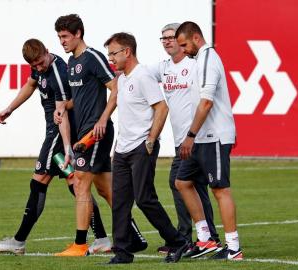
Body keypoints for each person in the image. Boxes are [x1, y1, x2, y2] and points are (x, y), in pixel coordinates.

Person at [0, 38, 112, 255]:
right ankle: (101, 238)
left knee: (39, 182)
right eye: (33, 65)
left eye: (39, 62)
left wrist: (65, 147)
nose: (38, 68)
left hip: (58, 135)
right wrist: (10, 108)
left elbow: (63, 113)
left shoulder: (58, 72)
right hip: (58, 136)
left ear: (47, 52)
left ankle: (18, 242)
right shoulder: (40, 69)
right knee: (76, 185)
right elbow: (30, 84)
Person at [54, 14, 147, 256]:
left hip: (95, 133)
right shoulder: (72, 62)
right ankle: (134, 237)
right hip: (88, 132)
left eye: (65, 36)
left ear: (78, 34)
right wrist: (65, 106)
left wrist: (103, 119)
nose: (61, 41)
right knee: (107, 191)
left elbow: (115, 87)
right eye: (59, 37)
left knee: (80, 184)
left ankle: (80, 244)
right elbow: (83, 96)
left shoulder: (93, 57)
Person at [104, 32, 188, 264]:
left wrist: (151, 140)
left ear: (127, 52)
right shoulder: (121, 79)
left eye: (113, 53)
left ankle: (178, 240)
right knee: (120, 201)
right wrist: (117, 148)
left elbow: (162, 108)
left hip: (142, 147)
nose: (110, 58)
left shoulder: (143, 76)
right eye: (109, 54)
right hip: (122, 150)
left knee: (144, 199)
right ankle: (122, 253)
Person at [148, 23, 221, 258]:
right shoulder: (164, 67)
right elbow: (140, 73)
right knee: (188, 185)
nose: (168, 41)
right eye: (164, 38)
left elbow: (208, 98)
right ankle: (199, 238)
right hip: (183, 139)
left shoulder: (195, 64)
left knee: (184, 183)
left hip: (196, 137)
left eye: (172, 37)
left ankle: (194, 238)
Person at [174, 21, 243, 260]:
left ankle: (233, 248)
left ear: (196, 38)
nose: (182, 50)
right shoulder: (198, 61)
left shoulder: (207, 59)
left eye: (184, 44)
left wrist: (190, 136)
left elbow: (207, 102)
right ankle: (206, 239)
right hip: (203, 137)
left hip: (212, 136)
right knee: (182, 182)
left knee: (219, 189)